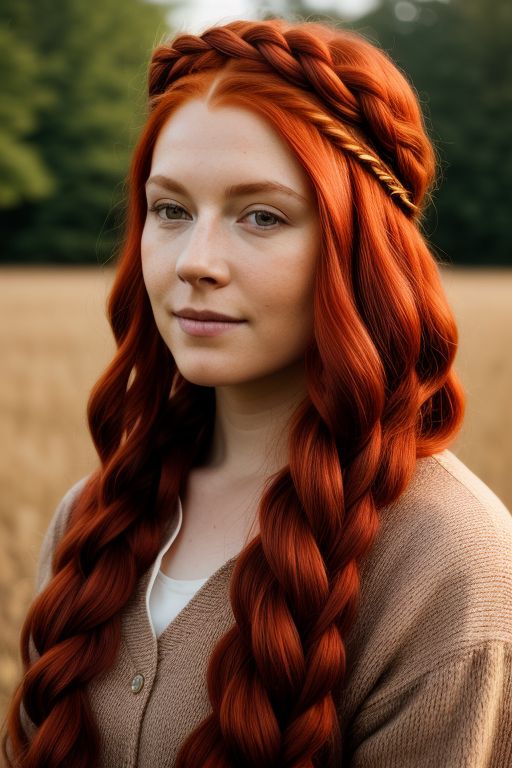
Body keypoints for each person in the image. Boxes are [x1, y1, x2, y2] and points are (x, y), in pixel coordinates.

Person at [3, 16, 512, 768]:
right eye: (170, 210)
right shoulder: (93, 519)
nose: (195, 262)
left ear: (359, 252)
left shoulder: (449, 570)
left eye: (262, 216)